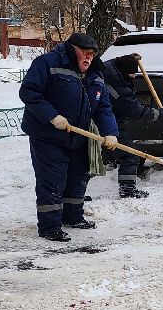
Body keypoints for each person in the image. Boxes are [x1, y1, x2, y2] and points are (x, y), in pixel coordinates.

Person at [19, 32, 118, 242]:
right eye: (85, 53)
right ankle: (50, 226)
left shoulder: (96, 74)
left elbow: (103, 108)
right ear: (72, 49)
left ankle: (72, 216)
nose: (89, 58)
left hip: (78, 134)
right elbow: (29, 92)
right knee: (52, 180)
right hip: (47, 135)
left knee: (77, 177)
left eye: (92, 54)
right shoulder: (48, 63)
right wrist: (51, 116)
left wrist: (110, 133)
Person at [101, 53, 163, 199]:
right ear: (123, 71)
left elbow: (116, 61)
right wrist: (160, 114)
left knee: (87, 158)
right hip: (108, 124)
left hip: (102, 120)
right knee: (130, 155)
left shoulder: (109, 67)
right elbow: (136, 112)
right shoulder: (119, 87)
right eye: (131, 73)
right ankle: (127, 191)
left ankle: (75, 192)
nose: (133, 76)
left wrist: (129, 57)